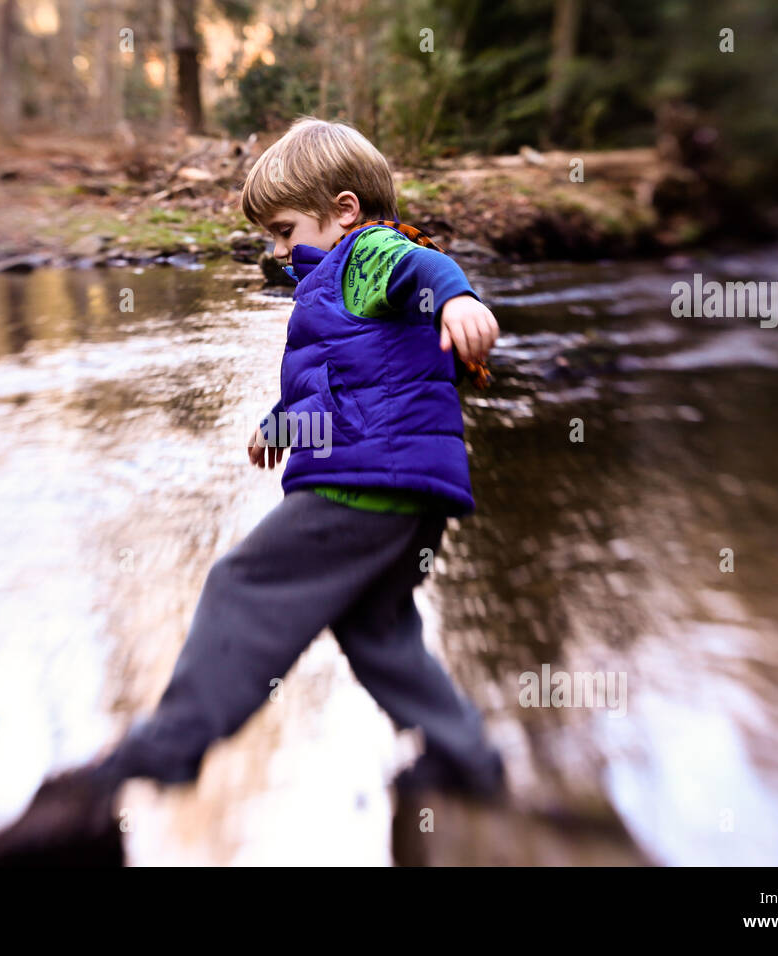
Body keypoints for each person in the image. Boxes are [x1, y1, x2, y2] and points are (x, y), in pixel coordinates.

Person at [78, 117, 505, 814]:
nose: (277, 250)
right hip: (411, 490)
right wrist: (283, 423)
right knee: (378, 631)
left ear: (342, 211)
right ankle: (466, 759)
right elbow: (339, 378)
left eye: (283, 231)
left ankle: (172, 745)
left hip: (364, 483)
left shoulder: (364, 251)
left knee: (242, 586)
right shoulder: (333, 279)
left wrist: (458, 298)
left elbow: (422, 267)